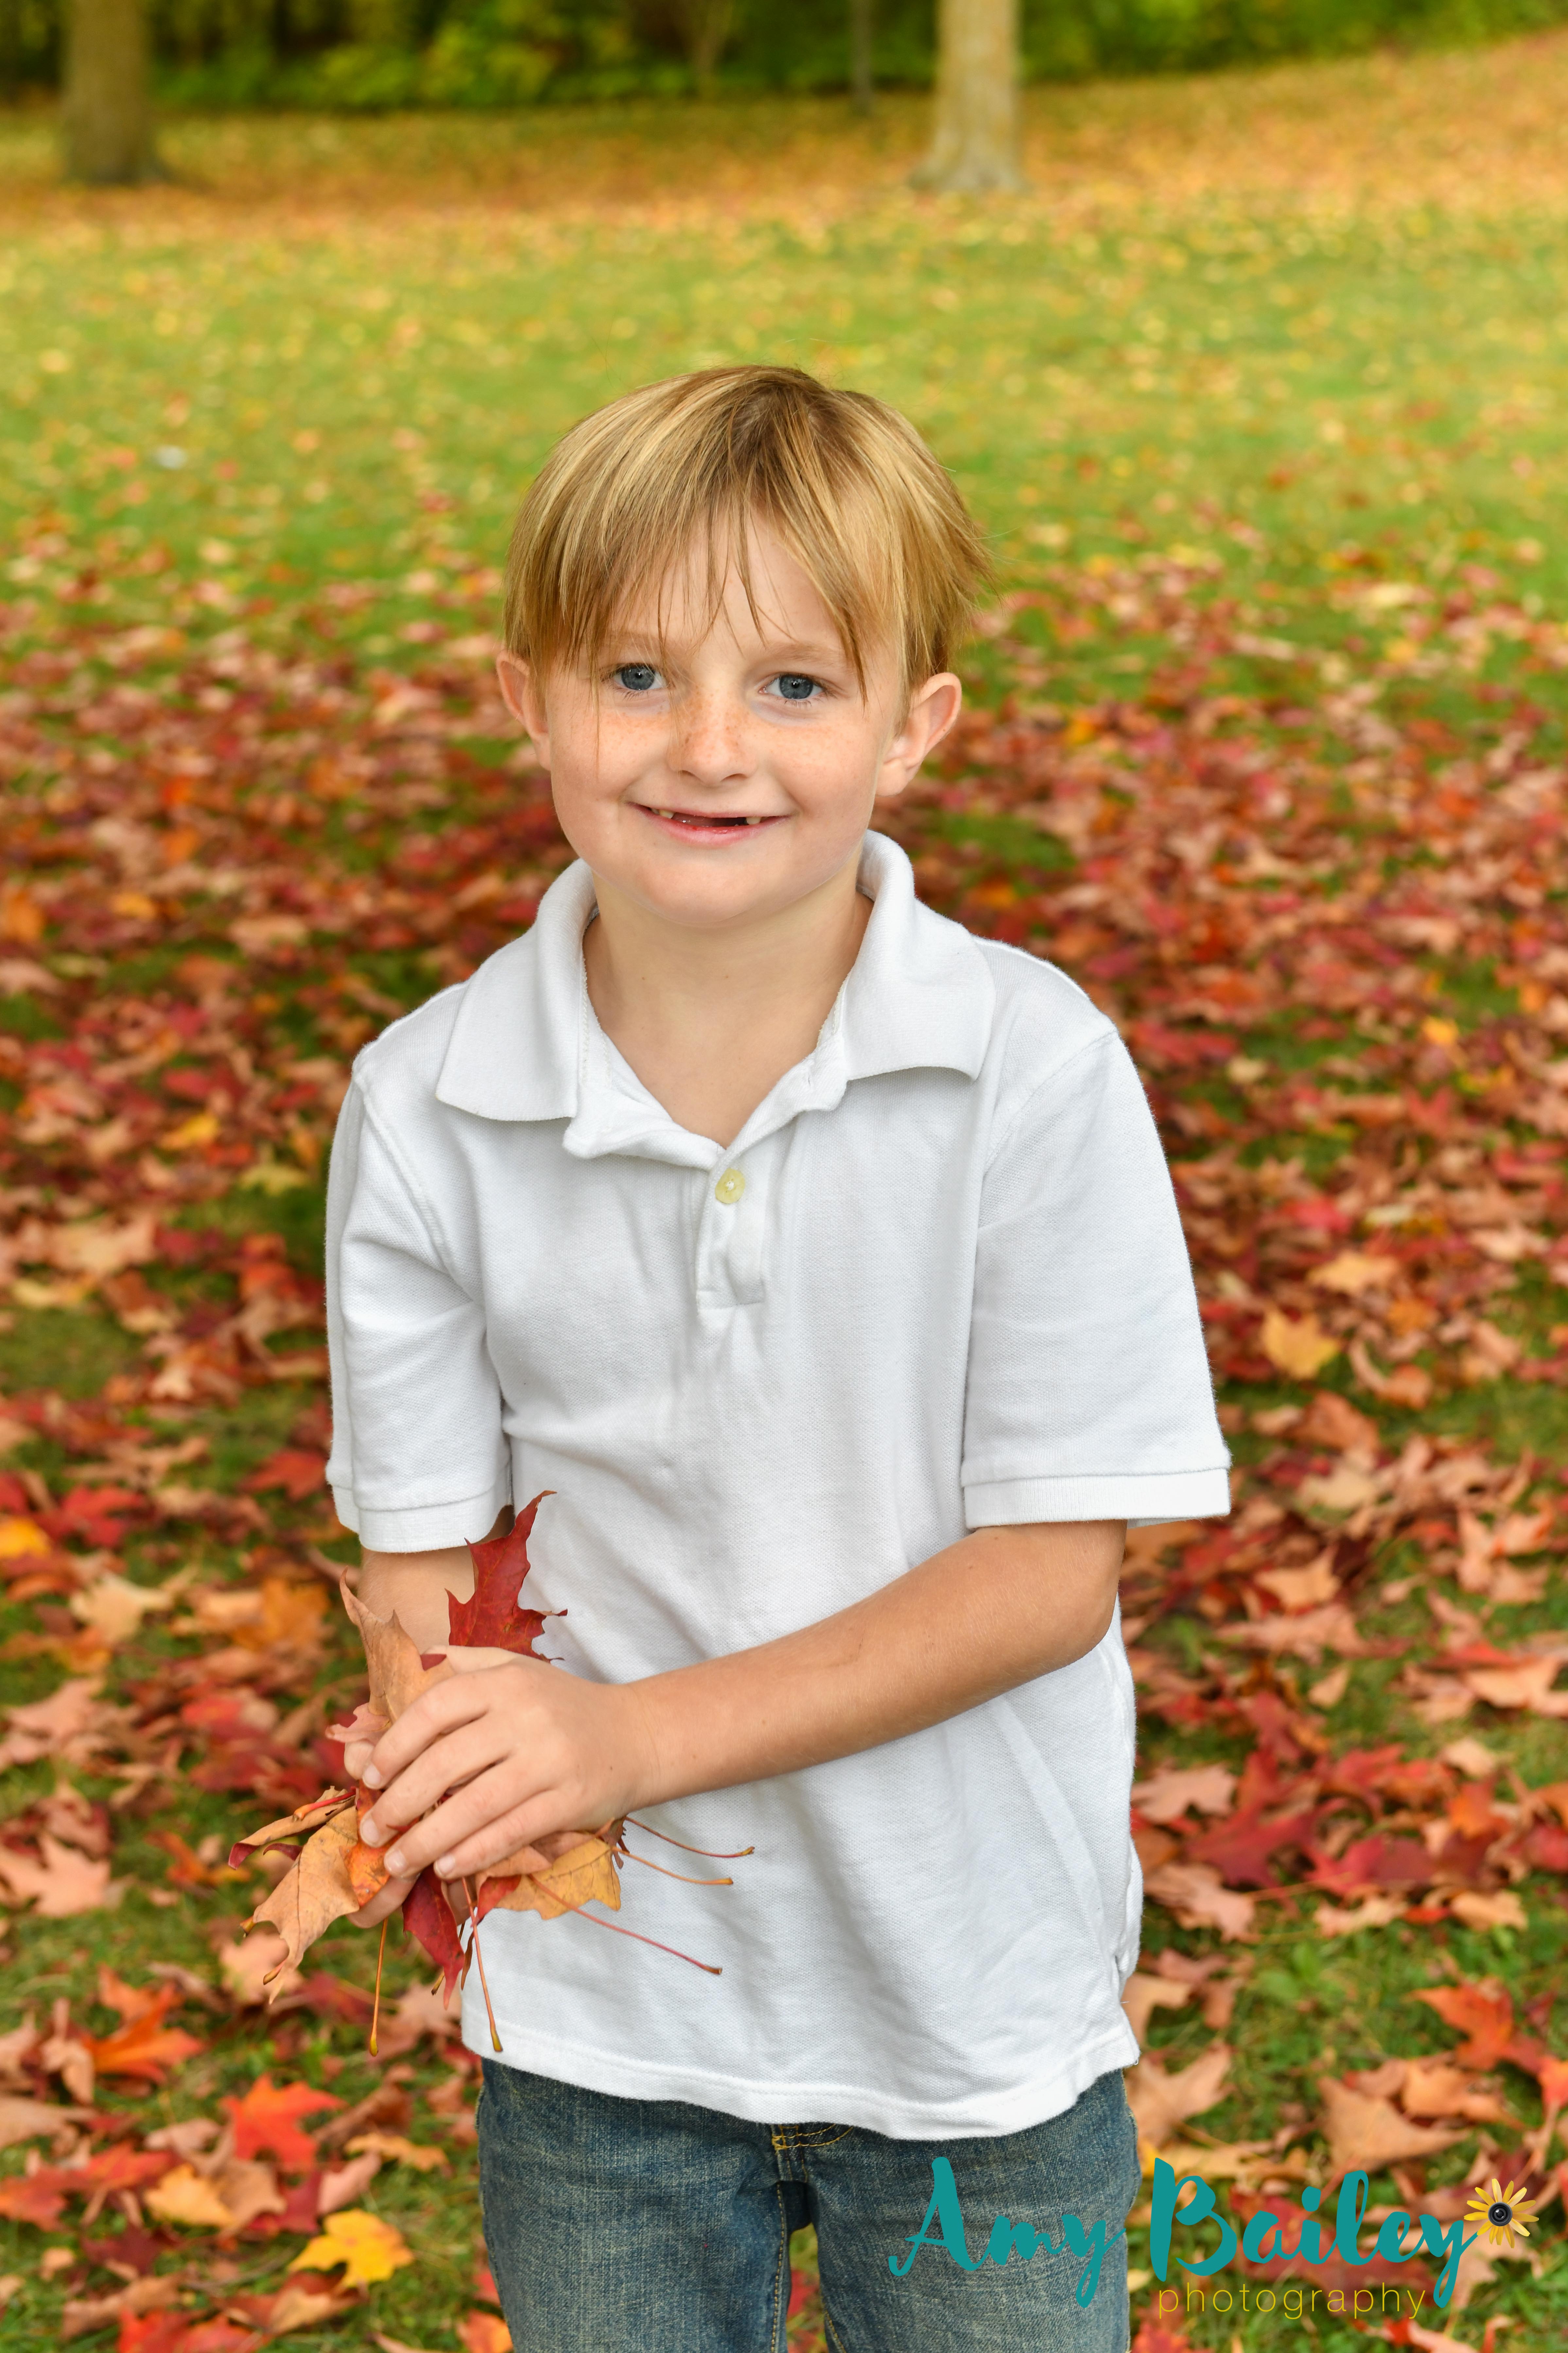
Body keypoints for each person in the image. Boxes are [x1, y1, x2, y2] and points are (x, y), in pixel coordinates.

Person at [323, 364, 1229, 2353]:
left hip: (971, 2007)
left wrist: (627, 1739)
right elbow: (421, 1557)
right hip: (604, 2027)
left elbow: (1051, 1577)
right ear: (527, 696)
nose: (711, 745)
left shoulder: (1028, 1069)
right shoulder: (425, 1103)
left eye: (796, 683)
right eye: (638, 674)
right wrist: (438, 1755)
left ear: (916, 727)